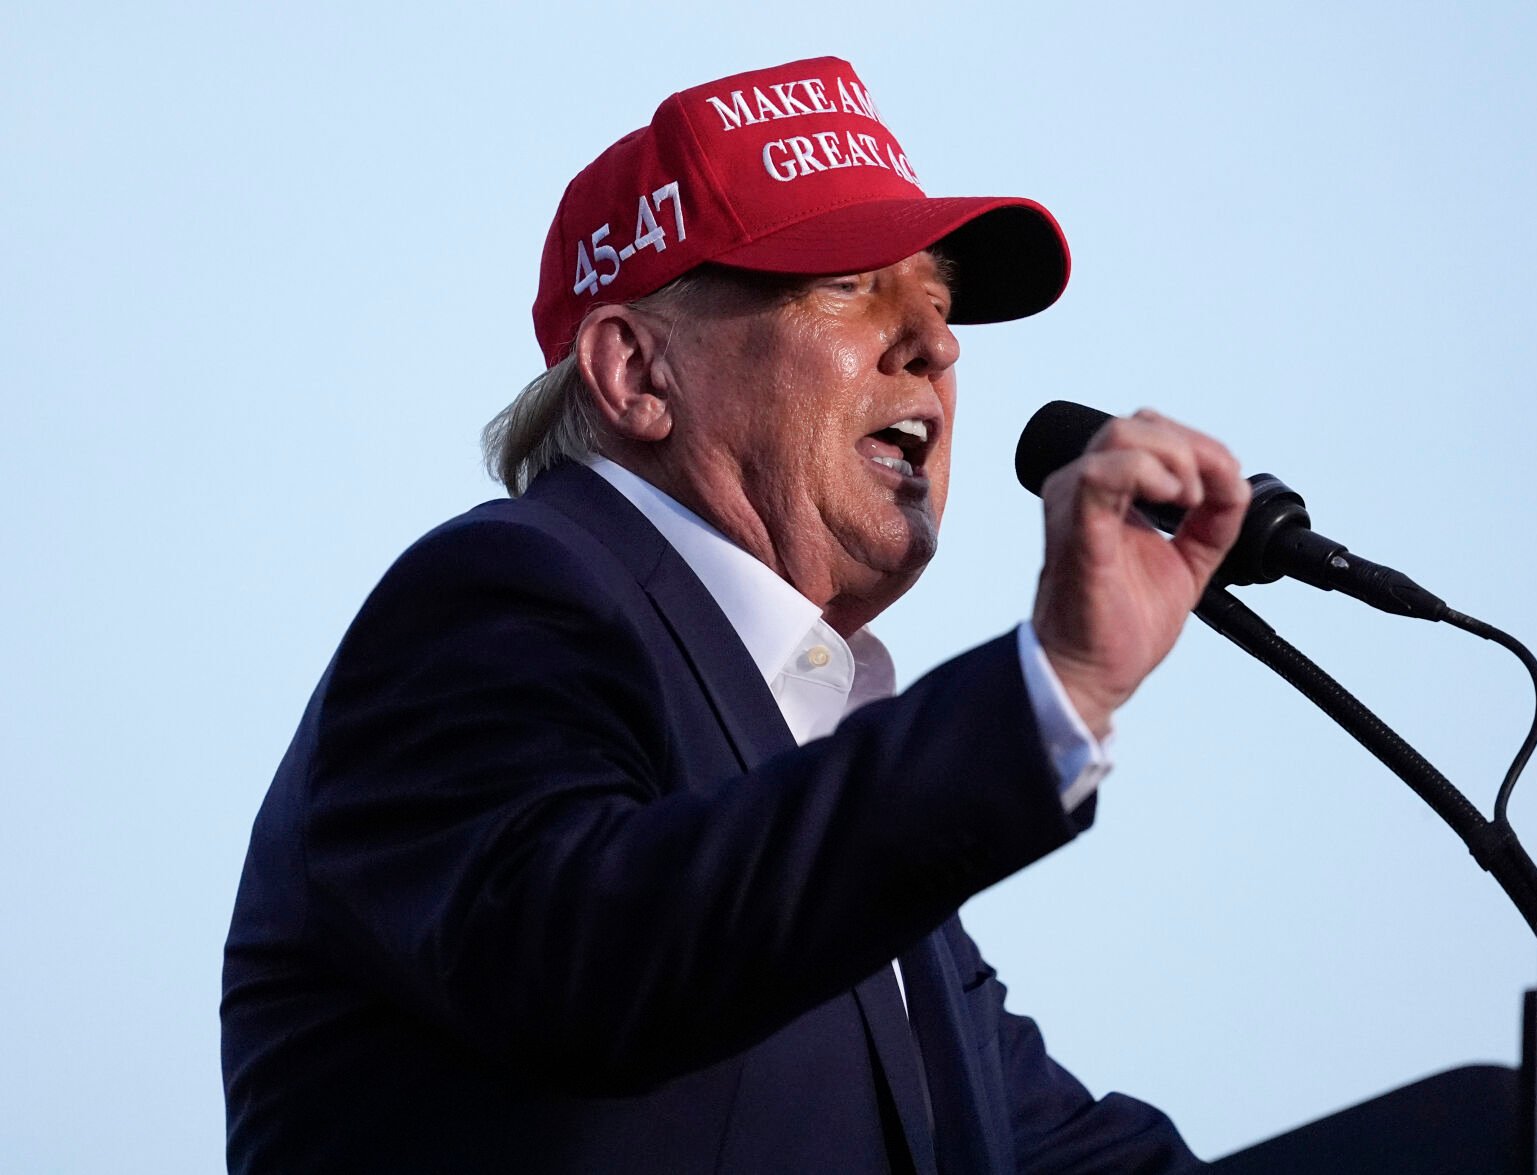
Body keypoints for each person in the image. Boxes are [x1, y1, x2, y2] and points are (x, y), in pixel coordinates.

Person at [221, 55, 1249, 1173]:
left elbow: (1050, 1149)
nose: (937, 347)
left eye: (938, 303)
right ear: (634, 371)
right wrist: (1046, 687)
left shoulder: (822, 803)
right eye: (848, 287)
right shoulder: (500, 595)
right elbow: (587, 955)